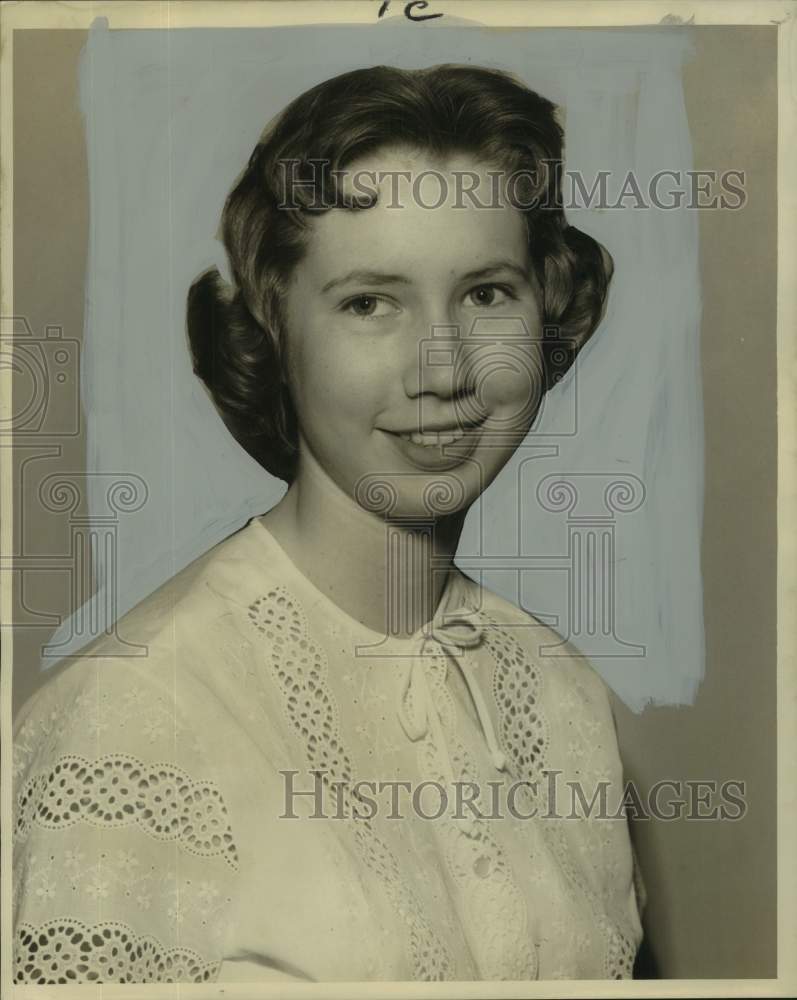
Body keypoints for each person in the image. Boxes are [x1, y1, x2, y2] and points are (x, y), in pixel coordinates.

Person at [12, 64, 646, 983]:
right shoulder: (132, 718)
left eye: (485, 293)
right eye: (367, 303)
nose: (443, 371)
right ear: (273, 331)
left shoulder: (562, 696)